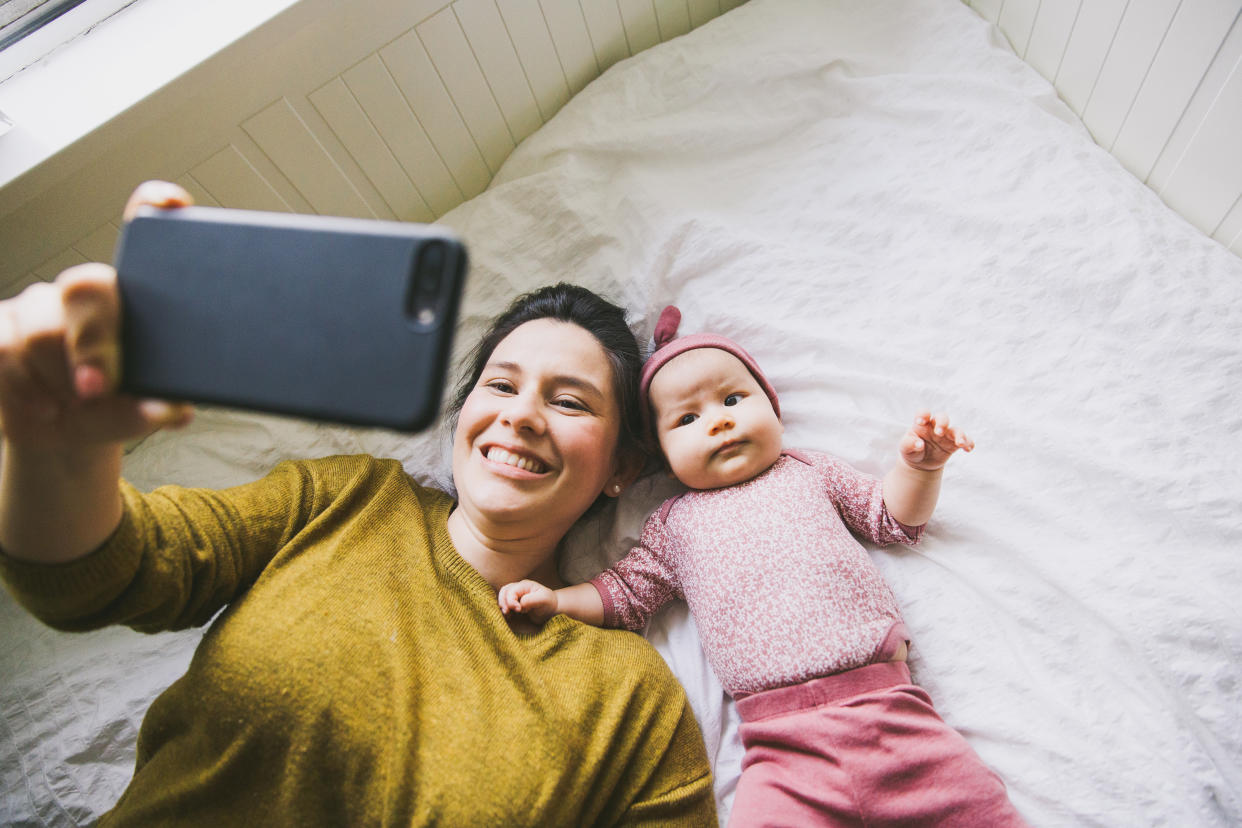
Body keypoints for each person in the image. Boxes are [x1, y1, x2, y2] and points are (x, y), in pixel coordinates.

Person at [0, 182, 716, 826]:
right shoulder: (345, 498)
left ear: (622, 466)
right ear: (463, 415)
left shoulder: (630, 702)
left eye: (567, 401)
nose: (521, 417)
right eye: (499, 387)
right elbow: (107, 575)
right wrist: (56, 446)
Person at [499, 305, 1029, 826]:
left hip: (889, 713)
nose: (720, 420)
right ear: (661, 453)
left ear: (772, 408)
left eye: (733, 398)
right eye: (688, 418)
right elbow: (623, 594)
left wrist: (919, 468)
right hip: (781, 750)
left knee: (977, 806)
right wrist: (556, 600)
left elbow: (891, 518)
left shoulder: (808, 473)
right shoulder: (673, 527)